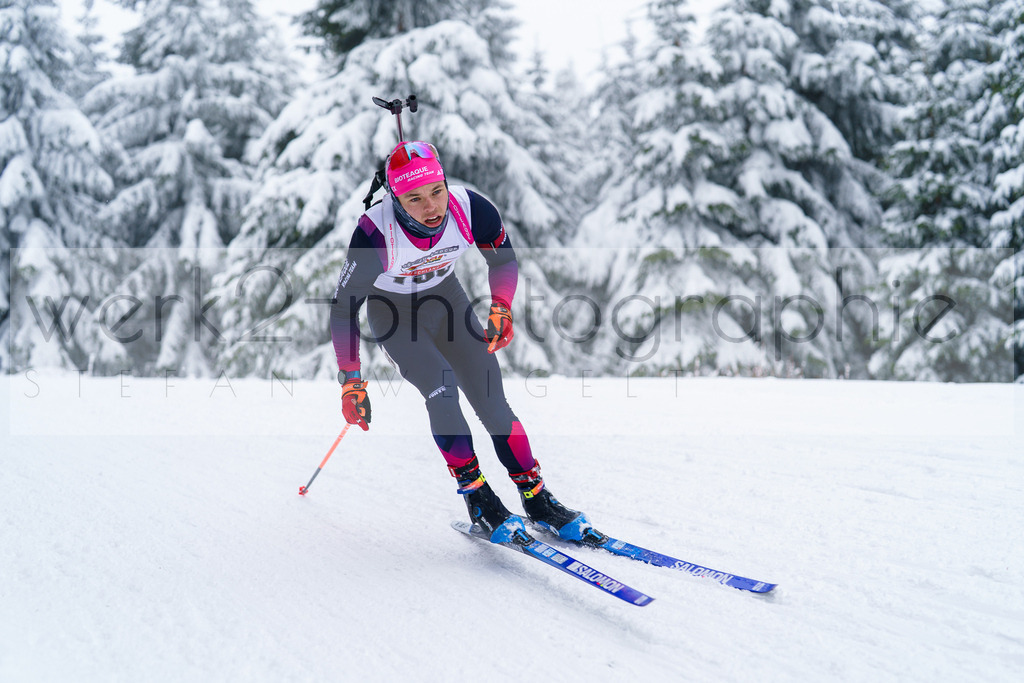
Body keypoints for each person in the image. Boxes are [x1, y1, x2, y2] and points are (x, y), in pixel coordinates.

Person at [329, 141, 595, 545]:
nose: (431, 207)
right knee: (442, 388)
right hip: (395, 314)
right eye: (414, 198)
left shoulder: (470, 208)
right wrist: (351, 379)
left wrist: (502, 307)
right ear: (395, 199)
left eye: (436, 191)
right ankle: (478, 496)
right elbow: (344, 308)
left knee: (492, 399)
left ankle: (537, 498)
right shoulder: (374, 233)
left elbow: (503, 260)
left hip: (447, 302)